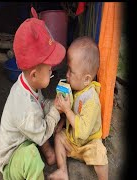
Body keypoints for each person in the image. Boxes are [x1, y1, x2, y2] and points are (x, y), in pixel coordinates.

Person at [0, 7, 66, 180]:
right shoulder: (25, 107)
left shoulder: (29, 85)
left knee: (44, 115)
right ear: (34, 74)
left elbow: (40, 105)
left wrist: (53, 105)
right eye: (50, 70)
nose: (51, 72)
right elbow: (40, 131)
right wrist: (55, 112)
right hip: (12, 158)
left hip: (27, 132)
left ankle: (48, 154)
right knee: (32, 155)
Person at [49, 36, 108, 180]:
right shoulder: (75, 88)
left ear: (87, 79)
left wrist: (67, 110)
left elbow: (83, 131)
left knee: (100, 152)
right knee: (58, 137)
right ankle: (63, 171)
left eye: (71, 71)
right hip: (73, 141)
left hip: (88, 144)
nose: (67, 75)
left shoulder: (91, 100)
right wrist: (62, 120)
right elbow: (70, 115)